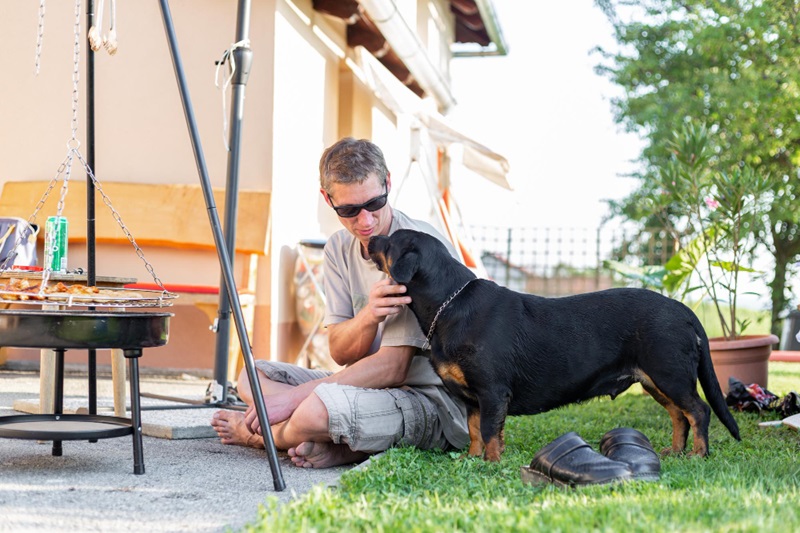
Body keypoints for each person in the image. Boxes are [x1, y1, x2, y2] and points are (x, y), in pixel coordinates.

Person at [211, 137, 469, 468]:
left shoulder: (415, 251)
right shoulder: (338, 247)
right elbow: (342, 353)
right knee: (251, 376)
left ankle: (260, 436)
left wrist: (290, 401)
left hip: (430, 400)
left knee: (312, 409)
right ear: (328, 199)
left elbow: (394, 368)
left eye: (374, 203)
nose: (364, 222)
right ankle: (341, 445)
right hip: (368, 389)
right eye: (348, 210)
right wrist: (368, 317)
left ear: (388, 183)